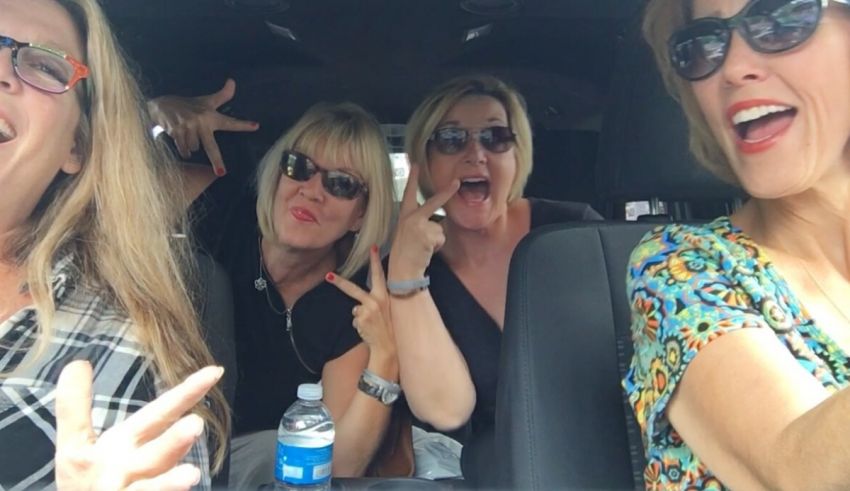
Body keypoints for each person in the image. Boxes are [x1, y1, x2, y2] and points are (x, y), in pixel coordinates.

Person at [0, 0, 230, 489]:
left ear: (76, 147)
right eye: (297, 168)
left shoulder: (125, 354)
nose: (1, 69)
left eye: (43, 63)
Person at [624, 0, 850, 489]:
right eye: (702, 46)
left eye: (780, 18)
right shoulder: (679, 267)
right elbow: (795, 471)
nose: (733, 68)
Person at [147, 92, 403, 488]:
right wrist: (151, 110)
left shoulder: (350, 305)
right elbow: (102, 180)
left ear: (360, 216)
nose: (312, 190)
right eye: (298, 166)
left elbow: (342, 464)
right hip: (154, 432)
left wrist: (385, 355)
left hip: (251, 465)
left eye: (340, 184)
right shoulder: (222, 211)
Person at [388, 74, 603, 446]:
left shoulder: (574, 232)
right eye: (451, 139)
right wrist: (407, 276)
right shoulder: (406, 269)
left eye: (495, 137)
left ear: (517, 156)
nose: (475, 154)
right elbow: (444, 410)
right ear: (423, 161)